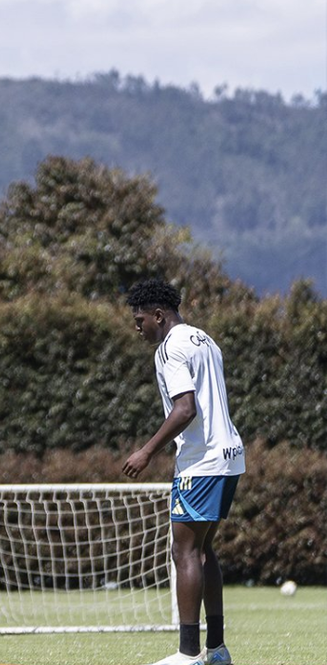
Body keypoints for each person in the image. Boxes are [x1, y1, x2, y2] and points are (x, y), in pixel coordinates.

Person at [123, 279, 245, 665]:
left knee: (184, 551)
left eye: (140, 319)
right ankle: (217, 649)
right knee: (203, 550)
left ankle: (189, 654)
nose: (137, 327)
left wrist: (146, 451)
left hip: (202, 462)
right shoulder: (203, 338)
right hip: (229, 456)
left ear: (159, 315)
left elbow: (185, 409)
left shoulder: (169, 347)